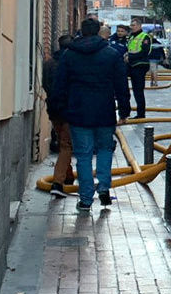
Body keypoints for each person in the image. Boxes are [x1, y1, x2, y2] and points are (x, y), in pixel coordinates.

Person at [53, 17, 130, 211]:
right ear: (98, 31)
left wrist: (60, 110)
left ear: (81, 31)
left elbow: (59, 85)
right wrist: (124, 110)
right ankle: (103, 187)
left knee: (83, 155)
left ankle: (86, 198)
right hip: (104, 111)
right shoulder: (111, 54)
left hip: (78, 112)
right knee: (105, 149)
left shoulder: (70, 55)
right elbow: (121, 85)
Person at [42, 34, 76, 197]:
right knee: (66, 145)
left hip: (53, 109)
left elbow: (44, 84)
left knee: (63, 143)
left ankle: (68, 177)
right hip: (69, 110)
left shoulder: (49, 63)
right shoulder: (73, 63)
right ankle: (58, 182)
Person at [125, 19, 152, 119]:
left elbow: (144, 52)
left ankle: (141, 114)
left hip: (140, 65)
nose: (132, 27)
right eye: (131, 25)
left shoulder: (145, 37)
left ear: (140, 26)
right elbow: (130, 49)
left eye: (134, 25)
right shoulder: (131, 37)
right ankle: (127, 111)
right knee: (129, 88)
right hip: (131, 65)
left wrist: (130, 57)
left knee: (138, 91)